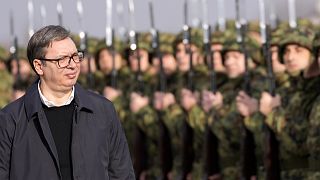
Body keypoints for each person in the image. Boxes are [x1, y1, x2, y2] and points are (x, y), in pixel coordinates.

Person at [0, 25, 135, 180]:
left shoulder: (102, 110)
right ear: (39, 66)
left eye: (75, 56)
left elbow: (121, 173)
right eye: (62, 59)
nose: (72, 64)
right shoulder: (10, 119)